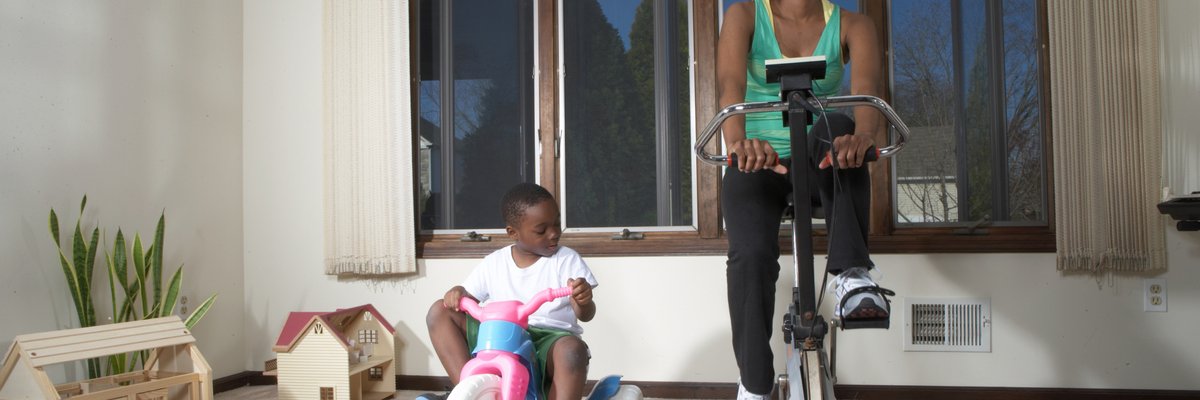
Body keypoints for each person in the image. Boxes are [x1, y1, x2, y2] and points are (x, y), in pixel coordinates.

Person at [716, 0, 893, 398]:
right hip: (761, 161)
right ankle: (754, 384)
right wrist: (739, 145)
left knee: (840, 121)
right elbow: (730, 85)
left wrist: (862, 139)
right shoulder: (744, 17)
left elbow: (866, 95)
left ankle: (851, 277)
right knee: (750, 258)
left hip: (824, 161)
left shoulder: (853, 25)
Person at [424, 183, 598, 400]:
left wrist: (582, 301)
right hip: (501, 335)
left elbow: (586, 315)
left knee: (572, 350)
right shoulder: (495, 262)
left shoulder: (566, 260)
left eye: (557, 224)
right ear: (512, 232)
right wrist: (457, 293)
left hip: (549, 340)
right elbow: (467, 296)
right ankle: (470, 390)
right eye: (541, 230)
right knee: (438, 312)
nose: (553, 234)